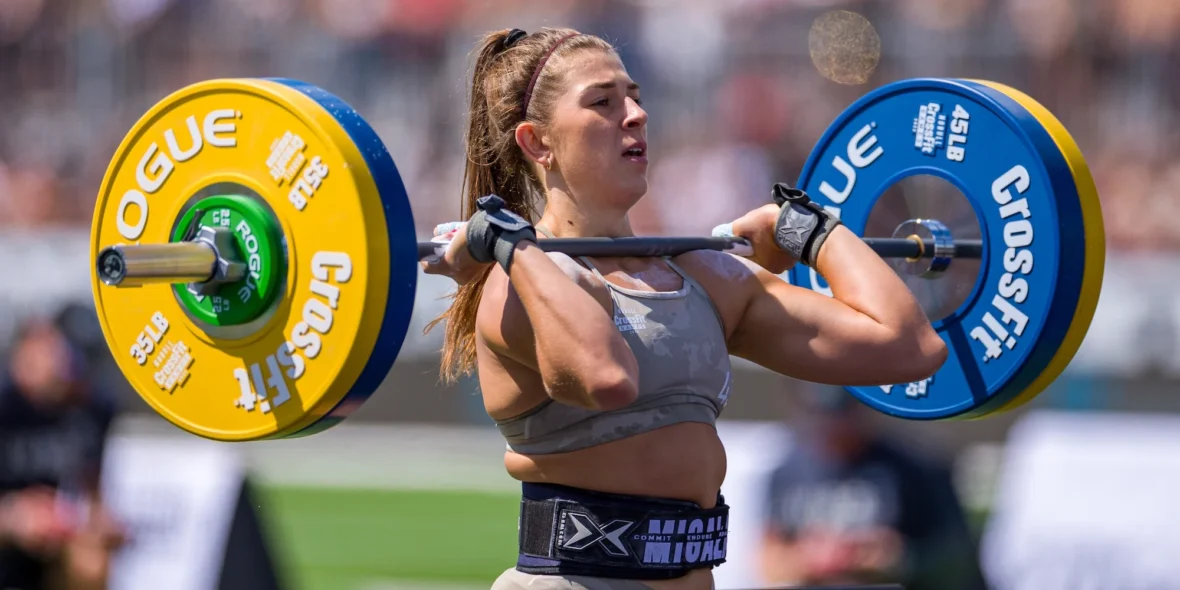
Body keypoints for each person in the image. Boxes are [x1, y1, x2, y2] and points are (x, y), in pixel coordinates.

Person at [422, 27, 947, 590]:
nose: (635, 114)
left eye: (635, 96)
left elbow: (909, 346)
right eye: (603, 102)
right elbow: (607, 379)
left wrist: (801, 227)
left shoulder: (702, 277)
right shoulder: (517, 287)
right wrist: (515, 247)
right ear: (537, 143)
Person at [757, 387, 988, 590]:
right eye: (822, 414)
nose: (832, 426)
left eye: (842, 415)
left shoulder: (915, 467)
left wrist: (899, 559)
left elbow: (958, 557)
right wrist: (810, 559)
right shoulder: (789, 470)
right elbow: (769, 561)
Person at [0, 309, 126, 590]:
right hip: (9, 536)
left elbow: (92, 494)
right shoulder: (6, 406)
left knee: (91, 561)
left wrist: (97, 523)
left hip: (56, 541)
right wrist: (14, 517)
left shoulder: (91, 409)